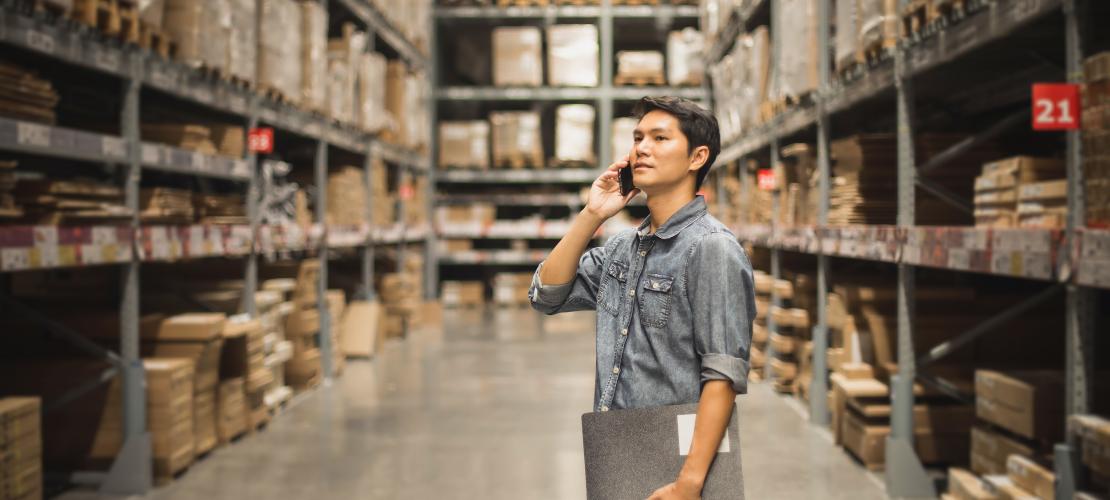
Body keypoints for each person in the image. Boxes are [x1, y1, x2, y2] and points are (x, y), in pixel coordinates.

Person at [528, 96, 755, 500]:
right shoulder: (622, 249)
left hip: (678, 460)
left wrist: (689, 483)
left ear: (697, 157)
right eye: (637, 138)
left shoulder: (712, 249)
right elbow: (547, 295)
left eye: (659, 138)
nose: (641, 148)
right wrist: (593, 213)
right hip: (617, 445)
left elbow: (722, 376)